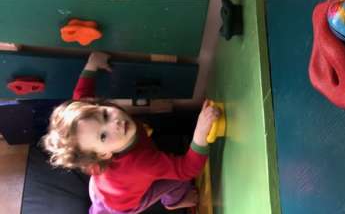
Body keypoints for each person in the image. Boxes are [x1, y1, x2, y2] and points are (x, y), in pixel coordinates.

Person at [42, 52, 220, 214]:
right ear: (103, 154)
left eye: (104, 115)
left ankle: (98, 208)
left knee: (102, 202)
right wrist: (201, 131)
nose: (115, 124)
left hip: (101, 189)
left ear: (98, 105)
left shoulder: (91, 135)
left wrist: (92, 64)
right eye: (103, 136)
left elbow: (81, 95)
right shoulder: (142, 163)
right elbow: (186, 170)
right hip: (126, 205)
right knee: (179, 183)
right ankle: (174, 202)